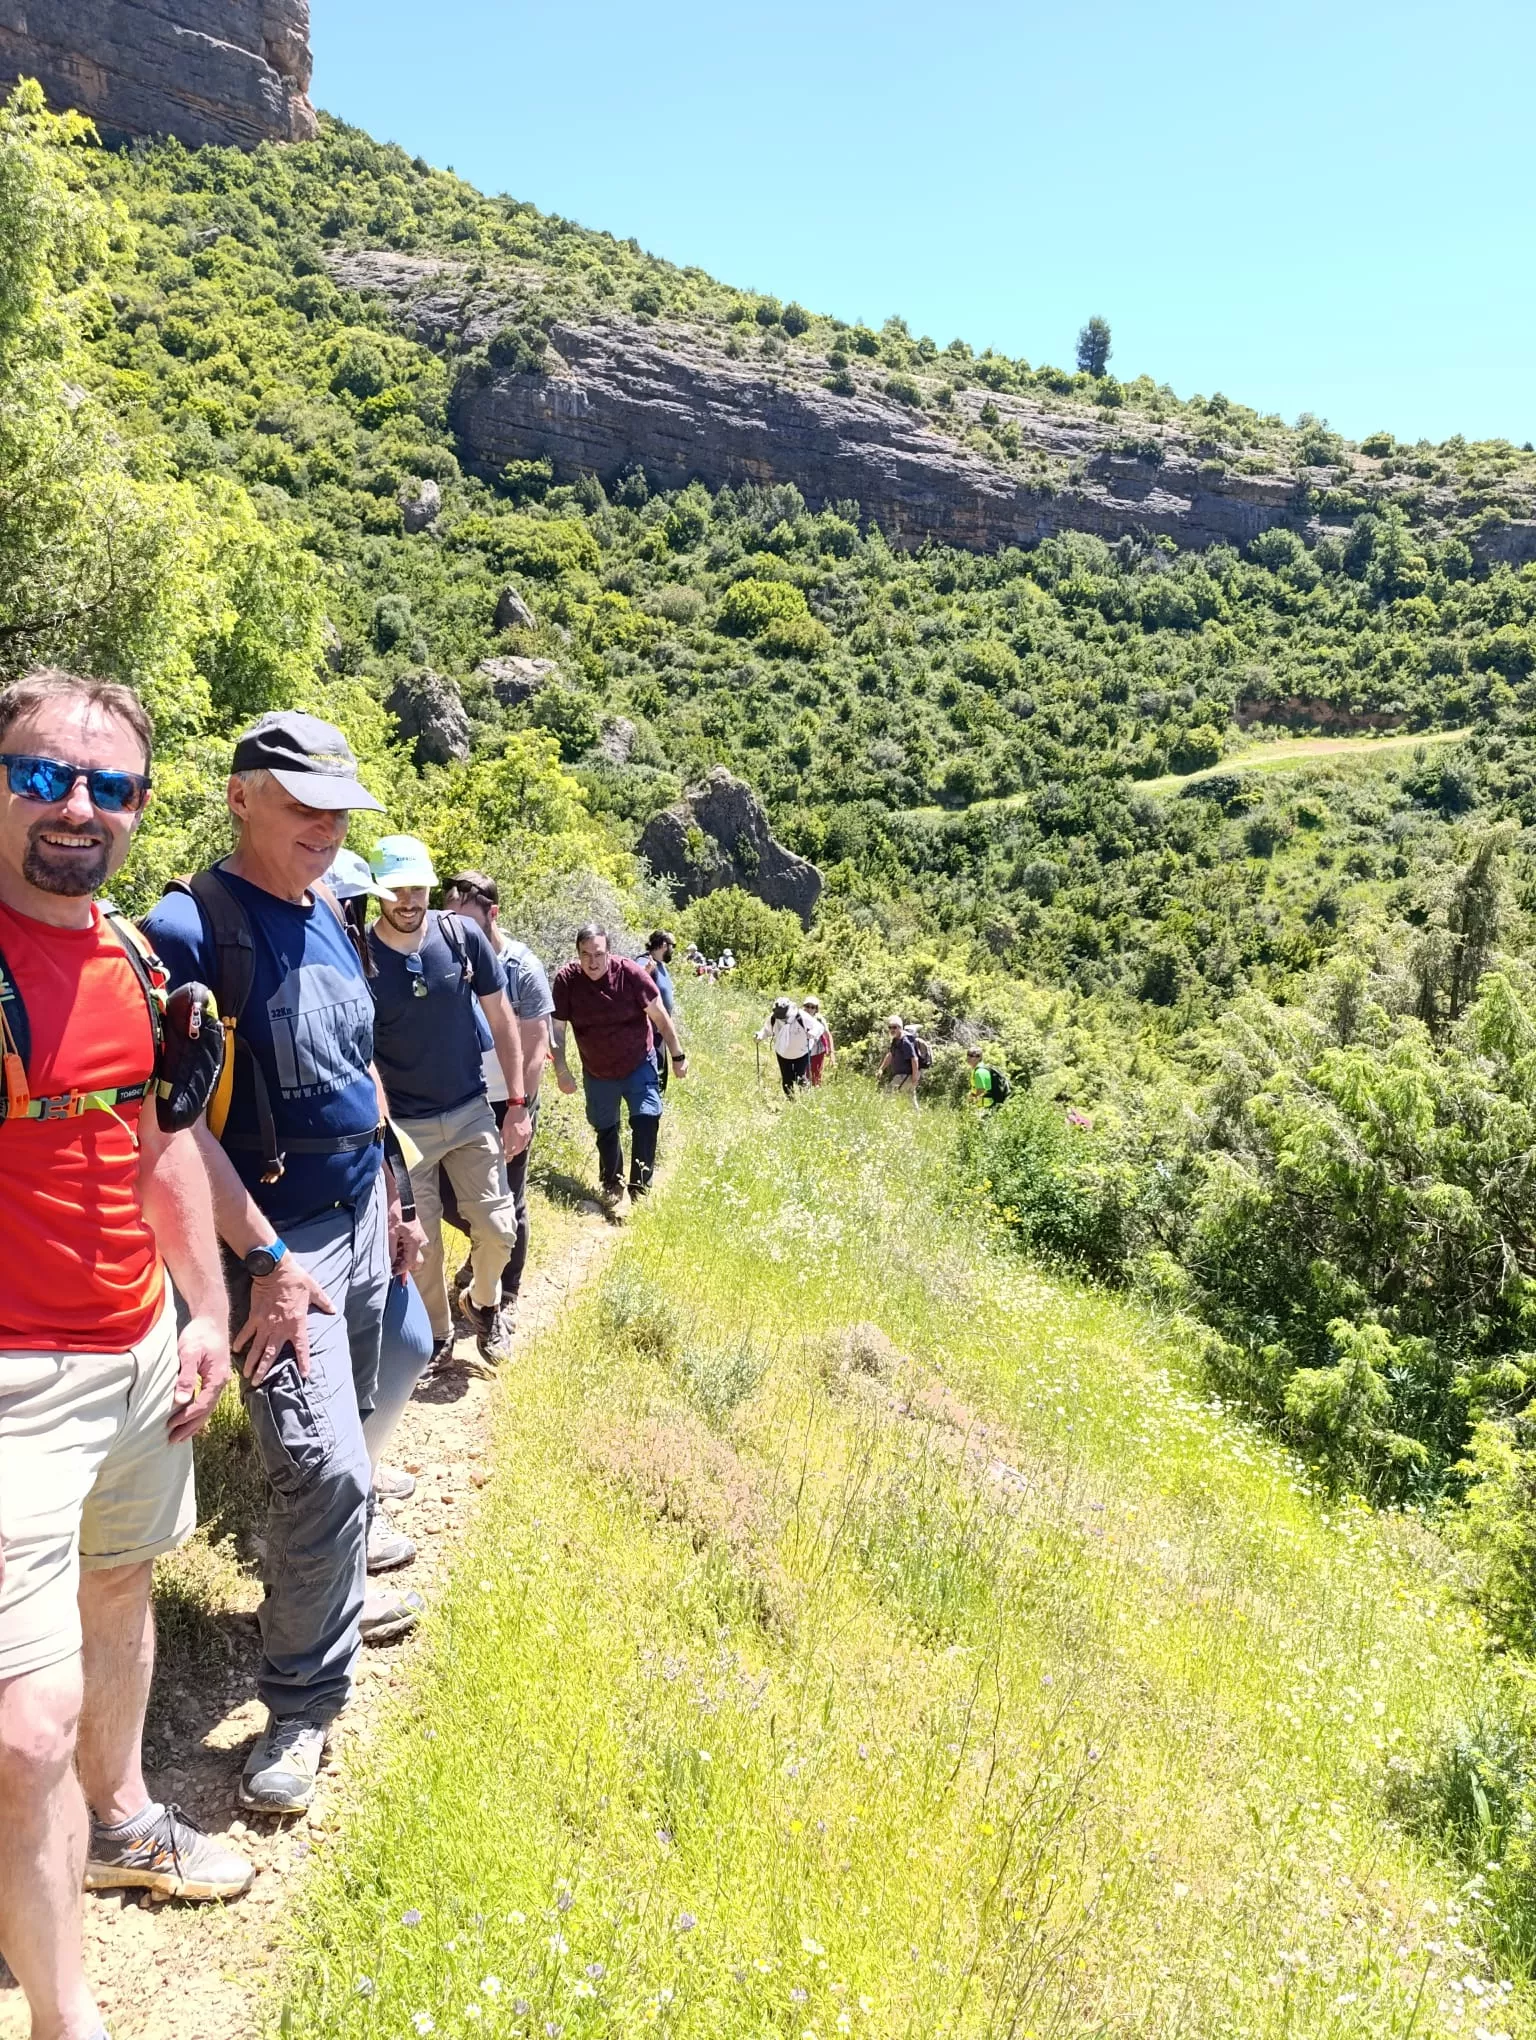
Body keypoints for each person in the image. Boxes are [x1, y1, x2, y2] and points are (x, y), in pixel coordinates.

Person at [0, 668, 252, 2040]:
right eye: (40, 776)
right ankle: (68, 2015)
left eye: (107, 785)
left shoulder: (140, 962)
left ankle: (123, 1821)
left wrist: (203, 1312)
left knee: (120, 1600)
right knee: (22, 1726)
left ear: (143, 808)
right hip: (11, 1386)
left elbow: (156, 1146)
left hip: (136, 1353)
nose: (74, 806)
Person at [143, 710, 428, 1817]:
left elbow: (362, 1068)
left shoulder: (327, 913)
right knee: (322, 1467)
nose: (325, 826)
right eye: (302, 803)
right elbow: (168, 1127)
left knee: (402, 1353)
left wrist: (399, 1198)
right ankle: (303, 1704)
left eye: (339, 809)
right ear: (240, 795)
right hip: (275, 1243)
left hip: (361, 1208)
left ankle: (327, 1564)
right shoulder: (187, 931)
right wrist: (262, 1261)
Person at [366, 838, 532, 1376]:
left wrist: (517, 1102)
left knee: (498, 1226)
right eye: (394, 889)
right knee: (425, 1245)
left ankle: (481, 1304)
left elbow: (501, 1013)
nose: (407, 899)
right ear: (377, 891)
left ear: (430, 887)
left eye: (416, 886)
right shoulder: (362, 957)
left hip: (469, 1110)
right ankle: (438, 1334)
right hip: (404, 1128)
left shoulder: (461, 935)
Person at [440, 868, 554, 1327]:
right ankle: (486, 1254)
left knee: (508, 1198)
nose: (456, 930)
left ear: (493, 915)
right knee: (451, 1196)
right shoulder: (448, 957)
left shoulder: (521, 967)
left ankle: (504, 1293)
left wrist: (518, 1108)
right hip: (460, 1098)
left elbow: (535, 1044)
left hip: (509, 1100)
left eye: (465, 920)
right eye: (449, 919)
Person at [551, 923, 688, 1215]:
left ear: (609, 952)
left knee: (647, 1117)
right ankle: (612, 1182)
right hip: (598, 1069)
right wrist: (561, 1069)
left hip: (638, 1061)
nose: (592, 961)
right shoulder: (567, 981)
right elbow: (558, 1031)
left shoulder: (630, 974)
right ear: (577, 954)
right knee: (606, 1128)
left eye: (598, 954)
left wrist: (677, 1056)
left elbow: (660, 1016)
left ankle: (640, 1189)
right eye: (585, 954)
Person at [757, 997, 812, 1097]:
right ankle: (791, 1101)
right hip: (782, 1052)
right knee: (787, 1079)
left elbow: (817, 1027)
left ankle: (806, 1098)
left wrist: (812, 1033)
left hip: (801, 1052)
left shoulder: (801, 1016)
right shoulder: (773, 1018)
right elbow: (766, 1030)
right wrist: (759, 1036)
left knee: (800, 1077)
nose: (782, 1018)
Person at [642, 929, 676, 1090]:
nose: (673, 950)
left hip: (660, 1032)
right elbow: (633, 982)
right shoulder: (645, 962)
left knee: (660, 1079)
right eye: (672, 945)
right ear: (663, 945)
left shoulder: (661, 966)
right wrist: (646, 972)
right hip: (648, 1033)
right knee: (651, 1079)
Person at [879, 1014, 923, 1105]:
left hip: (905, 1075)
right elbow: (890, 1055)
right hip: (904, 1076)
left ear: (900, 1028)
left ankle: (884, 1115)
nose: (892, 1030)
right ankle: (917, 1117)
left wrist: (915, 1077)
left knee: (886, 1097)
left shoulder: (905, 1041)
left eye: (894, 1027)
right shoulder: (896, 1040)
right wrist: (881, 1069)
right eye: (890, 1027)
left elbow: (914, 1059)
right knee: (911, 1098)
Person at [803, 995, 835, 1087]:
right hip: (803, 1051)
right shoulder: (799, 1018)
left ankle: (815, 1093)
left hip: (817, 1051)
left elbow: (828, 1035)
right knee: (803, 1076)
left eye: (812, 1007)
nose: (809, 1009)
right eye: (807, 1006)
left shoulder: (819, 1020)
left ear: (816, 1009)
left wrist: (832, 1053)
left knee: (816, 1076)